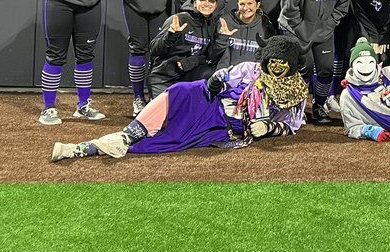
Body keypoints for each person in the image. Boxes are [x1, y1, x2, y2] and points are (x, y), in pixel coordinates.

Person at [51, 35, 309, 162]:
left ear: (293, 65)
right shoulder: (250, 70)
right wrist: (216, 79)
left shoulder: (296, 92)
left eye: (282, 63)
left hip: (226, 126)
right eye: (272, 61)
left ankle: (82, 149)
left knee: (170, 140)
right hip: (211, 101)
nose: (275, 67)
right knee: (180, 91)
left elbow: (292, 125)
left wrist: (269, 127)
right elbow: (224, 77)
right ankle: (126, 135)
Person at [278, 0, 352, 124]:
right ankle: (299, 108)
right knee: (305, 68)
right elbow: (288, 8)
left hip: (323, 30)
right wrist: (303, 31)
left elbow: (342, 7)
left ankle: (318, 106)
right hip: (295, 29)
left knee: (326, 69)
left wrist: (327, 26)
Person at [147, 0, 230, 98]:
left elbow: (209, 58)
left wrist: (222, 39)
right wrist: (171, 35)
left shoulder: (212, 25)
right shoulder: (178, 19)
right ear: (194, 2)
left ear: (216, 5)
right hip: (164, 76)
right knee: (169, 113)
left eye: (211, 1)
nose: (207, 3)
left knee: (209, 76)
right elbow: (154, 50)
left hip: (189, 74)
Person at [220, 0, 276, 64]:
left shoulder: (266, 24)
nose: (246, 8)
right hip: (229, 73)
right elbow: (215, 55)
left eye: (250, 3)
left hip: (255, 73)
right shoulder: (225, 22)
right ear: (237, 5)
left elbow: (268, 56)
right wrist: (222, 38)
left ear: (257, 5)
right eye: (242, 4)